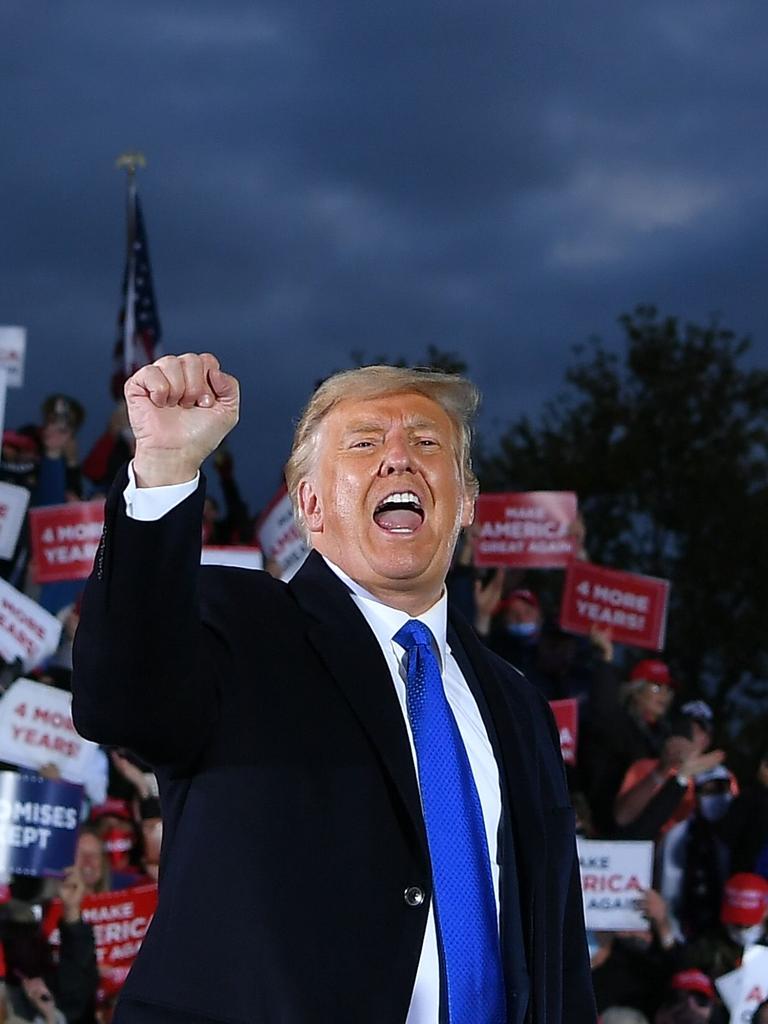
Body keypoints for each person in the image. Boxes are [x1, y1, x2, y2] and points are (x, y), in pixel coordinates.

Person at [71, 354, 595, 1023]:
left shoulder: (520, 706)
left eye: (428, 443)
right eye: (365, 443)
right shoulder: (240, 625)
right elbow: (121, 697)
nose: (399, 459)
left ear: (466, 504)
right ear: (310, 504)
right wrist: (167, 467)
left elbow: (557, 955)